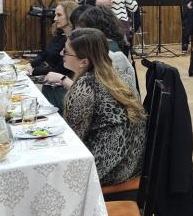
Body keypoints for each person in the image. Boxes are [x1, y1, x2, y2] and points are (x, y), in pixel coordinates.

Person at [62, 27, 146, 185]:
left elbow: (73, 141)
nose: (61, 54)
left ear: (84, 62)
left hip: (108, 171)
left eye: (66, 52)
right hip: (132, 164)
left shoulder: (85, 87)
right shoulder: (116, 75)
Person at [73, 5, 138, 97]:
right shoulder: (104, 47)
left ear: (95, 31)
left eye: (82, 30)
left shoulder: (112, 54)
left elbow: (106, 93)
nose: (78, 34)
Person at [30, 0, 79, 111]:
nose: (55, 19)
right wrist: (30, 65)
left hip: (65, 87)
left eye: (59, 15)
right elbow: (44, 54)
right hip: (52, 82)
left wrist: (33, 71)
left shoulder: (75, 40)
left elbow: (61, 69)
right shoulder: (60, 36)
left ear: (70, 16)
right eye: (55, 15)